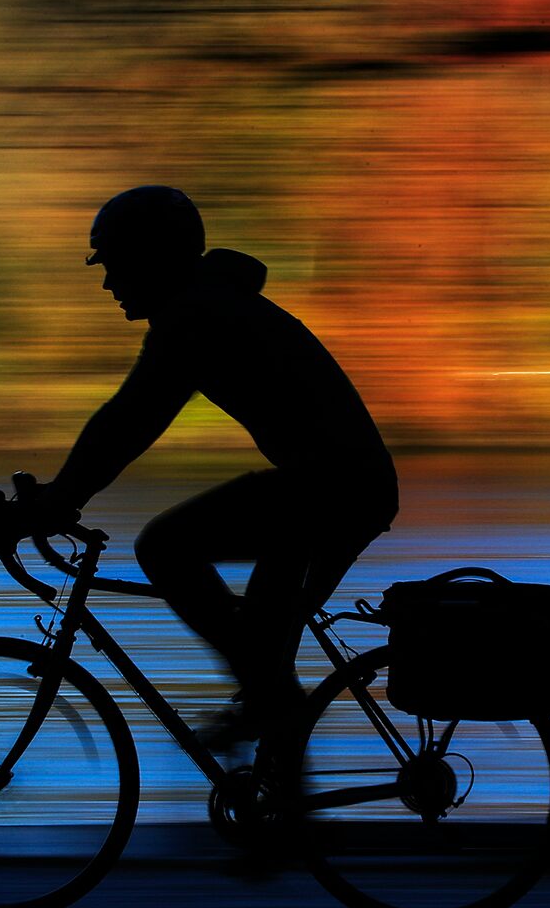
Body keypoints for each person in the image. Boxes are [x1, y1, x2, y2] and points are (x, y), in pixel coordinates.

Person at [24, 185, 398, 752]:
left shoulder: (198, 315)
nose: (107, 283)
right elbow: (126, 422)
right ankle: (280, 804)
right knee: (263, 660)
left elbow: (130, 421)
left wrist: (59, 500)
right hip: (333, 489)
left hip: (329, 490)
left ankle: (271, 709)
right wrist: (63, 494)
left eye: (116, 265)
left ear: (154, 257)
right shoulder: (210, 303)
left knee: (165, 547)